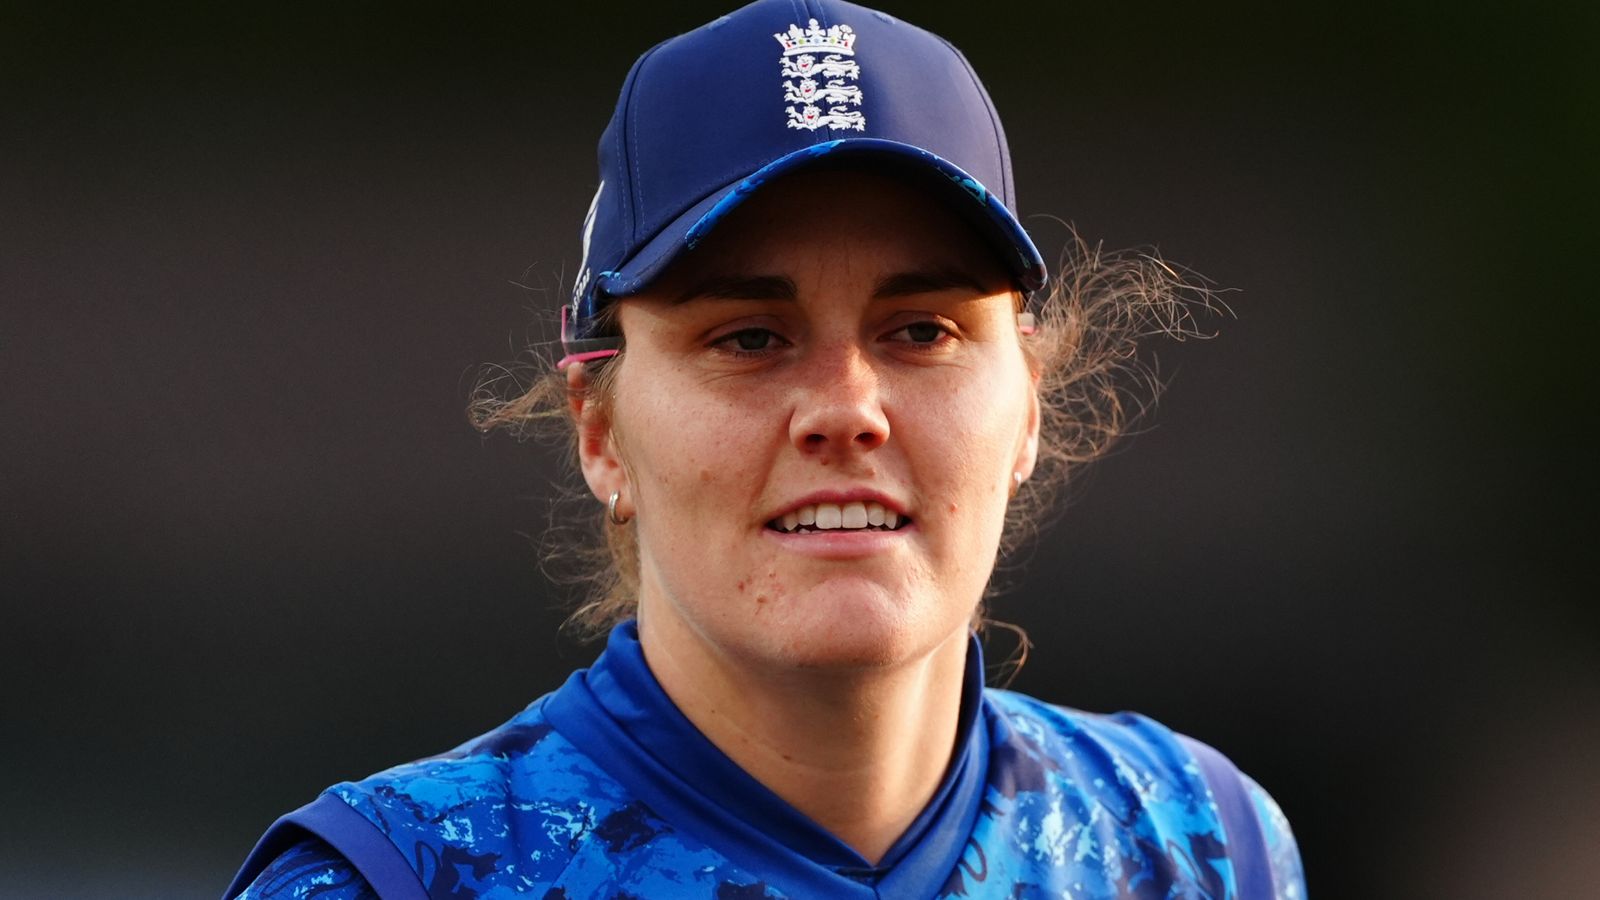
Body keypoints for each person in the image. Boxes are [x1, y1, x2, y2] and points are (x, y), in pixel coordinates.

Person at [225, 2, 1306, 897]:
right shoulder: (397, 879)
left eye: (921, 331)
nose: (847, 408)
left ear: (1026, 408)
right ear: (601, 432)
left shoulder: (1197, 844)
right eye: (749, 338)